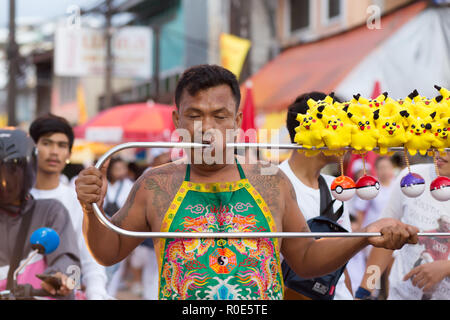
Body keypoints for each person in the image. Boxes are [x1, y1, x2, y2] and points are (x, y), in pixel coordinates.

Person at [76, 64, 419, 300]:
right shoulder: (155, 183)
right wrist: (91, 208)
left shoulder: (270, 181)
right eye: (194, 115)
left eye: (220, 116)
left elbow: (306, 259)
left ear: (238, 120)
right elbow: (108, 253)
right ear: (177, 119)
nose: (206, 127)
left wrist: (364, 235)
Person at [279, 91, 354, 300]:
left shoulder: (337, 187)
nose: (348, 137)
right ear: (313, 130)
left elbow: (340, 262)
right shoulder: (275, 186)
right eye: (339, 126)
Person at [28, 114, 110, 300]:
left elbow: (90, 254)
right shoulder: (17, 199)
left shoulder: (76, 200)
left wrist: (96, 292)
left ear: (69, 154)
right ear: (33, 148)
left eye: (62, 145)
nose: (54, 151)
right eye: (47, 143)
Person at [357, 153, 450, 300]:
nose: (441, 153)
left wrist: (447, 268)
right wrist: (365, 291)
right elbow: (383, 242)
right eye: (440, 144)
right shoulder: (411, 177)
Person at [0, 128, 80, 298]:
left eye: (12, 170)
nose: (5, 180)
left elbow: (65, 256)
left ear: (28, 169)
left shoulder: (50, 211)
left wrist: (59, 276)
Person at [347, 156, 395, 295]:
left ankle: (388, 296)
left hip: (394, 233)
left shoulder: (397, 185)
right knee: (374, 269)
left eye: (387, 167)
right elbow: (360, 211)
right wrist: (360, 234)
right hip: (375, 234)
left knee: (390, 270)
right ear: (377, 170)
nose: (385, 171)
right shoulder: (372, 187)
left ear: (391, 168)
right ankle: (372, 295)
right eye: (381, 168)